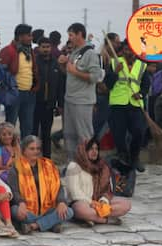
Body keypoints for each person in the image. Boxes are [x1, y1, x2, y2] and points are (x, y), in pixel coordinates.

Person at [8, 135, 74, 234]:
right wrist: (21, 203)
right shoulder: (16, 168)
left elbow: (58, 186)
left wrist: (61, 202)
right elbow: (15, 191)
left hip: (48, 208)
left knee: (69, 211)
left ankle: (34, 225)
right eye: (32, 149)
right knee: (14, 211)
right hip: (26, 208)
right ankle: (51, 223)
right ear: (24, 150)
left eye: (38, 149)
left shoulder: (48, 165)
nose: (36, 151)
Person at [58, 23, 103, 162]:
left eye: (71, 35)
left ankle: (90, 164)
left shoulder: (90, 54)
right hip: (70, 99)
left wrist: (75, 71)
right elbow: (69, 74)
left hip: (83, 101)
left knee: (85, 135)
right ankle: (72, 163)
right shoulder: (74, 53)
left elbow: (95, 77)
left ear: (79, 34)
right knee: (69, 135)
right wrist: (62, 64)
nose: (69, 38)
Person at [106, 40, 150, 172]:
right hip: (118, 104)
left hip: (135, 104)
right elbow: (108, 84)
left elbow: (146, 84)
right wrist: (115, 72)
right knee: (119, 134)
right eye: (126, 50)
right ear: (122, 50)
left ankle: (134, 157)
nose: (128, 52)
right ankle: (123, 156)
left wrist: (141, 94)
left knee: (138, 132)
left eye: (131, 50)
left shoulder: (142, 65)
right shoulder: (115, 63)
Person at [66, 139, 131, 226]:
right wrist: (91, 202)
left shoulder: (102, 166)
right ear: (84, 151)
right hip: (82, 203)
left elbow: (107, 189)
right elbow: (75, 192)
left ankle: (90, 218)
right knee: (80, 209)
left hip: (98, 202)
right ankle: (105, 220)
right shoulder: (74, 166)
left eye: (96, 149)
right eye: (91, 149)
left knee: (126, 204)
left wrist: (103, 201)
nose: (94, 152)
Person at [0, 24, 39, 139]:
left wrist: (35, 85)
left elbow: (34, 70)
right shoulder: (7, 51)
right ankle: (8, 153)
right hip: (14, 94)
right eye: (28, 35)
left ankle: (25, 154)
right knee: (10, 127)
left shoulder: (30, 51)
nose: (31, 38)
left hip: (29, 93)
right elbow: (1, 73)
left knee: (27, 127)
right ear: (20, 37)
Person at [32, 37, 64, 159]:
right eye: (43, 47)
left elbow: (60, 86)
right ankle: (32, 158)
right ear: (39, 47)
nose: (46, 49)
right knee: (33, 133)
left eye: (48, 47)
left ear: (51, 48)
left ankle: (47, 159)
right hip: (35, 103)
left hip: (49, 105)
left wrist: (60, 104)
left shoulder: (56, 64)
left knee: (46, 134)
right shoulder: (34, 62)